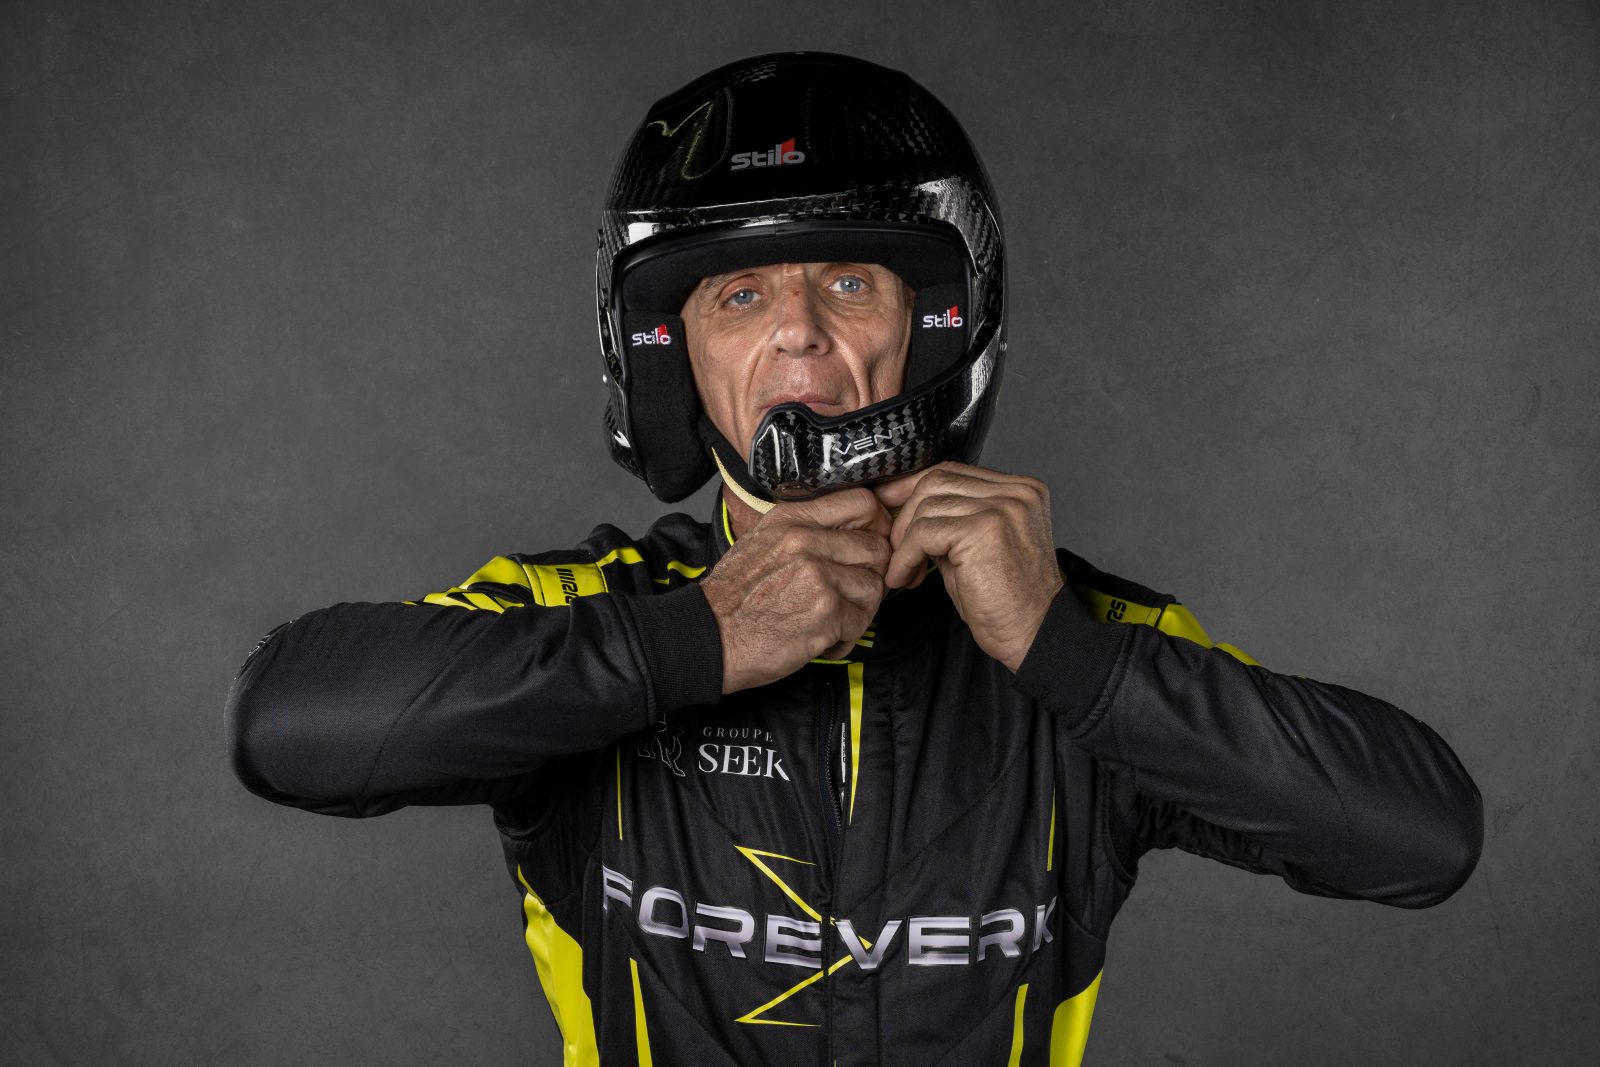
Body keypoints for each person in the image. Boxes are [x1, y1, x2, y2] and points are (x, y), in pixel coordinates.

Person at [225, 51, 1483, 1066]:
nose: (798, 337)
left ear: (935, 326)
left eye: (848, 282)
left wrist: (1065, 656)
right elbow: (288, 725)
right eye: (738, 296)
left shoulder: (1087, 641)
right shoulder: (581, 610)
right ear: (672, 358)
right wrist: (691, 638)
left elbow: (1420, 838)